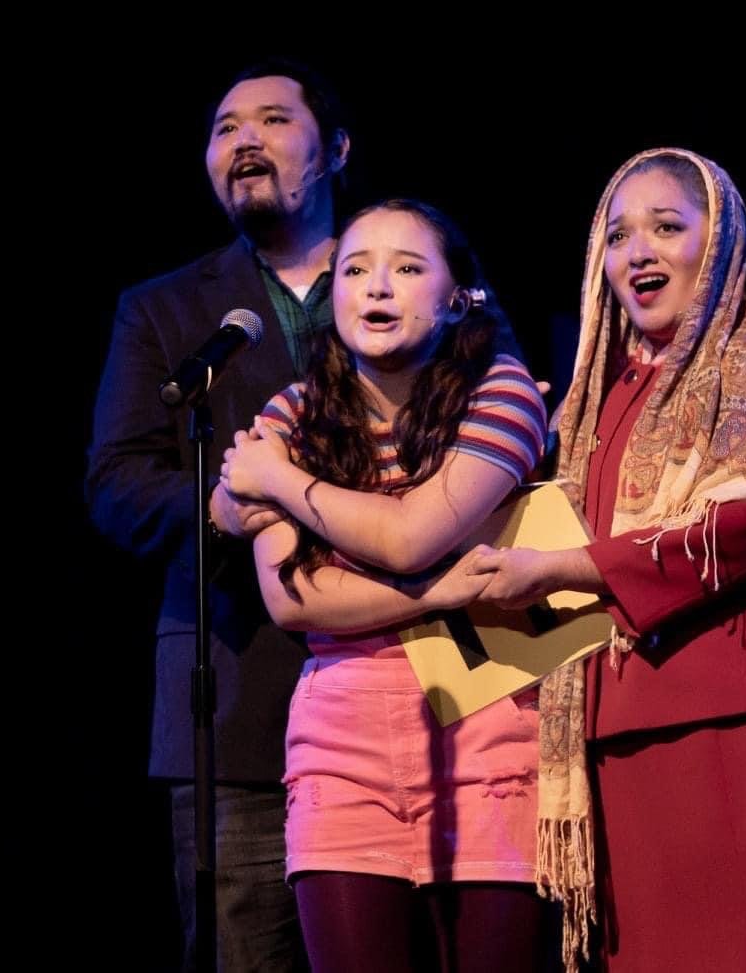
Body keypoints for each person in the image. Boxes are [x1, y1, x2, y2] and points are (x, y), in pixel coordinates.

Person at [465, 148, 746, 971]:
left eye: (666, 226)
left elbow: (745, 523)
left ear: (721, 239)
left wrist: (560, 571)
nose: (638, 252)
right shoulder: (597, 399)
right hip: (624, 724)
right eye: (617, 236)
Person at [218, 199, 553, 972]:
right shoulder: (290, 417)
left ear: (455, 296)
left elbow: (411, 538)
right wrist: (432, 595)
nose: (377, 287)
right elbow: (293, 600)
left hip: (489, 718)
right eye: (356, 269)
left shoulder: (501, 391)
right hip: (341, 738)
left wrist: (281, 483)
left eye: (407, 269)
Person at [86, 57, 352, 973]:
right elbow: (116, 483)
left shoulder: (409, 274)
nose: (243, 141)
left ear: (337, 148)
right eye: (224, 127)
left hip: (413, 677)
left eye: (273, 120)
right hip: (238, 703)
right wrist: (221, 504)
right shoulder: (162, 308)